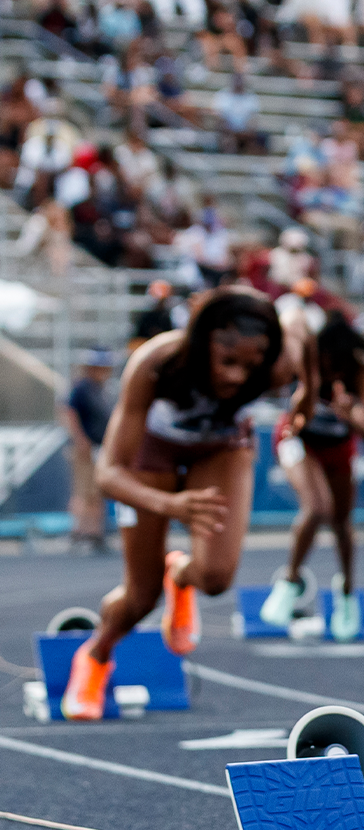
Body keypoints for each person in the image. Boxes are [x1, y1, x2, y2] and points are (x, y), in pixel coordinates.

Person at [65, 288, 312, 720]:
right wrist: (169, 504)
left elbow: (300, 327)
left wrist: (307, 393)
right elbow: (108, 474)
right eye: (228, 362)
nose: (238, 378)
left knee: (216, 578)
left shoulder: (275, 363)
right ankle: (96, 656)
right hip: (153, 453)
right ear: (201, 343)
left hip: (221, 449)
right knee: (140, 599)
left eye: (251, 366)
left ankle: (180, 574)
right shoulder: (155, 363)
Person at [261, 313, 364, 639]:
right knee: (317, 508)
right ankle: (290, 582)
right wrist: (311, 385)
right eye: (327, 360)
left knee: (343, 524)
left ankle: (346, 592)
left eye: (337, 364)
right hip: (297, 437)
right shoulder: (311, 360)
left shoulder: (361, 374)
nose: (332, 368)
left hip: (337, 446)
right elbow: (296, 414)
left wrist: (352, 418)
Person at [63, 347, 118, 553]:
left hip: (99, 448)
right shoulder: (82, 388)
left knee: (96, 492)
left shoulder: (99, 389)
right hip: (86, 448)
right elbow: (68, 412)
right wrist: (80, 440)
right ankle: (82, 533)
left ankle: (94, 533)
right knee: (86, 492)